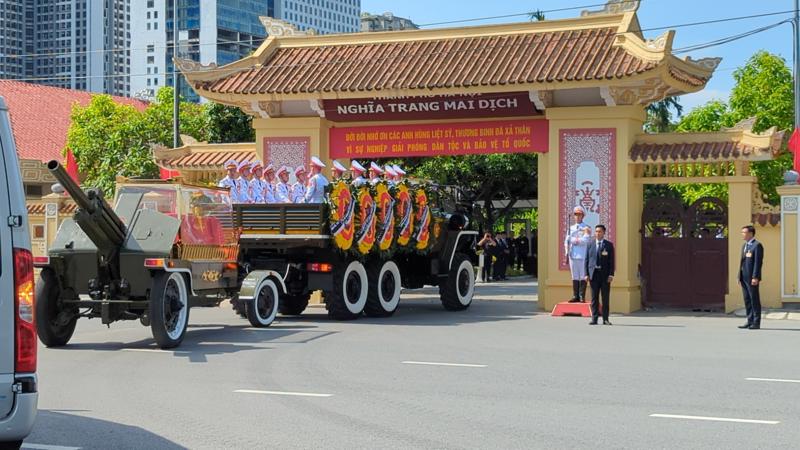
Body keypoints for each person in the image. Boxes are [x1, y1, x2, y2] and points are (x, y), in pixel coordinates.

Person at [584, 225, 615, 325]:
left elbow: (611, 261)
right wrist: (586, 274)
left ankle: (605, 319)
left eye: (600, 232)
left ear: (604, 233)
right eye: (596, 231)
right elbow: (586, 260)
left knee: (605, 298)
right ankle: (594, 319)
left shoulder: (609, 245)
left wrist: (611, 275)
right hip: (594, 274)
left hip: (605, 275)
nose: (597, 233)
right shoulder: (590, 244)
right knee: (594, 298)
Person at [738, 225, 764, 330]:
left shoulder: (757, 245)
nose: (742, 234)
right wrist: (738, 276)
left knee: (754, 300)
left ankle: (756, 322)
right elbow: (742, 263)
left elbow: (758, 263)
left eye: (744, 232)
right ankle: (749, 321)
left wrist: (755, 277)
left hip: (751, 278)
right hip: (743, 277)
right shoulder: (744, 245)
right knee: (747, 300)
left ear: (750, 233)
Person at [564, 206, 592, 302]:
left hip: (583, 254)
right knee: (574, 276)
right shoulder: (570, 228)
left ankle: (581, 296)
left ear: (583, 216)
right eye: (575, 214)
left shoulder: (586, 227)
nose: (577, 216)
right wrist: (567, 252)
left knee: (583, 276)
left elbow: (586, 240)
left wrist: (575, 240)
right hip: (573, 254)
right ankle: (575, 296)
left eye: (579, 214)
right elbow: (566, 241)